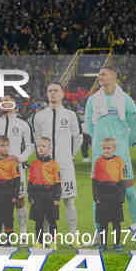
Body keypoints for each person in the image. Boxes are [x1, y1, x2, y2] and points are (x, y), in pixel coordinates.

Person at [86, 66, 136, 227]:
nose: (100, 77)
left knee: (130, 193)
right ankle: (99, 233)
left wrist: (124, 143)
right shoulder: (92, 100)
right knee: (98, 196)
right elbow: (90, 126)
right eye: (99, 75)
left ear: (113, 76)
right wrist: (99, 142)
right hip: (99, 155)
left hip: (121, 156)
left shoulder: (125, 99)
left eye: (103, 74)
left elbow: (134, 127)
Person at [33, 82, 82, 238]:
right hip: (46, 167)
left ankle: (73, 235)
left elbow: (77, 138)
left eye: (56, 90)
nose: (53, 93)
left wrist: (70, 155)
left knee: (69, 201)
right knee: (45, 202)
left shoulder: (70, 115)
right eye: (50, 91)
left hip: (65, 165)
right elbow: (37, 140)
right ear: (47, 94)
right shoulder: (39, 116)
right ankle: (46, 237)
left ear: (62, 94)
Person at [0, 92, 33, 241]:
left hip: (16, 169)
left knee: (19, 200)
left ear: (14, 103)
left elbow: (30, 145)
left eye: (8, 100)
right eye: (2, 100)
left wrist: (20, 158)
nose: (4, 103)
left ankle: (23, 232)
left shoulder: (22, 124)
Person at [92, 137, 125, 252]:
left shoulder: (119, 161)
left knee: (116, 222)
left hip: (115, 195)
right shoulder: (98, 162)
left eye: (108, 148)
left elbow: (122, 181)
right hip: (102, 195)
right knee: (102, 223)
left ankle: (117, 244)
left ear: (114, 148)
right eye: (104, 148)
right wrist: (95, 196)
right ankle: (103, 244)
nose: (106, 150)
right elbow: (94, 181)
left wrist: (121, 197)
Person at [28, 137, 61, 249]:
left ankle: (53, 242)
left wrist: (56, 198)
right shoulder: (34, 164)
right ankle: (39, 241)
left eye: (43, 146)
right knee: (38, 220)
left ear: (49, 148)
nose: (40, 148)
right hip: (37, 195)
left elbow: (57, 183)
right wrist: (30, 196)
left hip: (50, 194)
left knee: (52, 220)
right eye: (38, 146)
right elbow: (30, 182)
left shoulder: (54, 164)